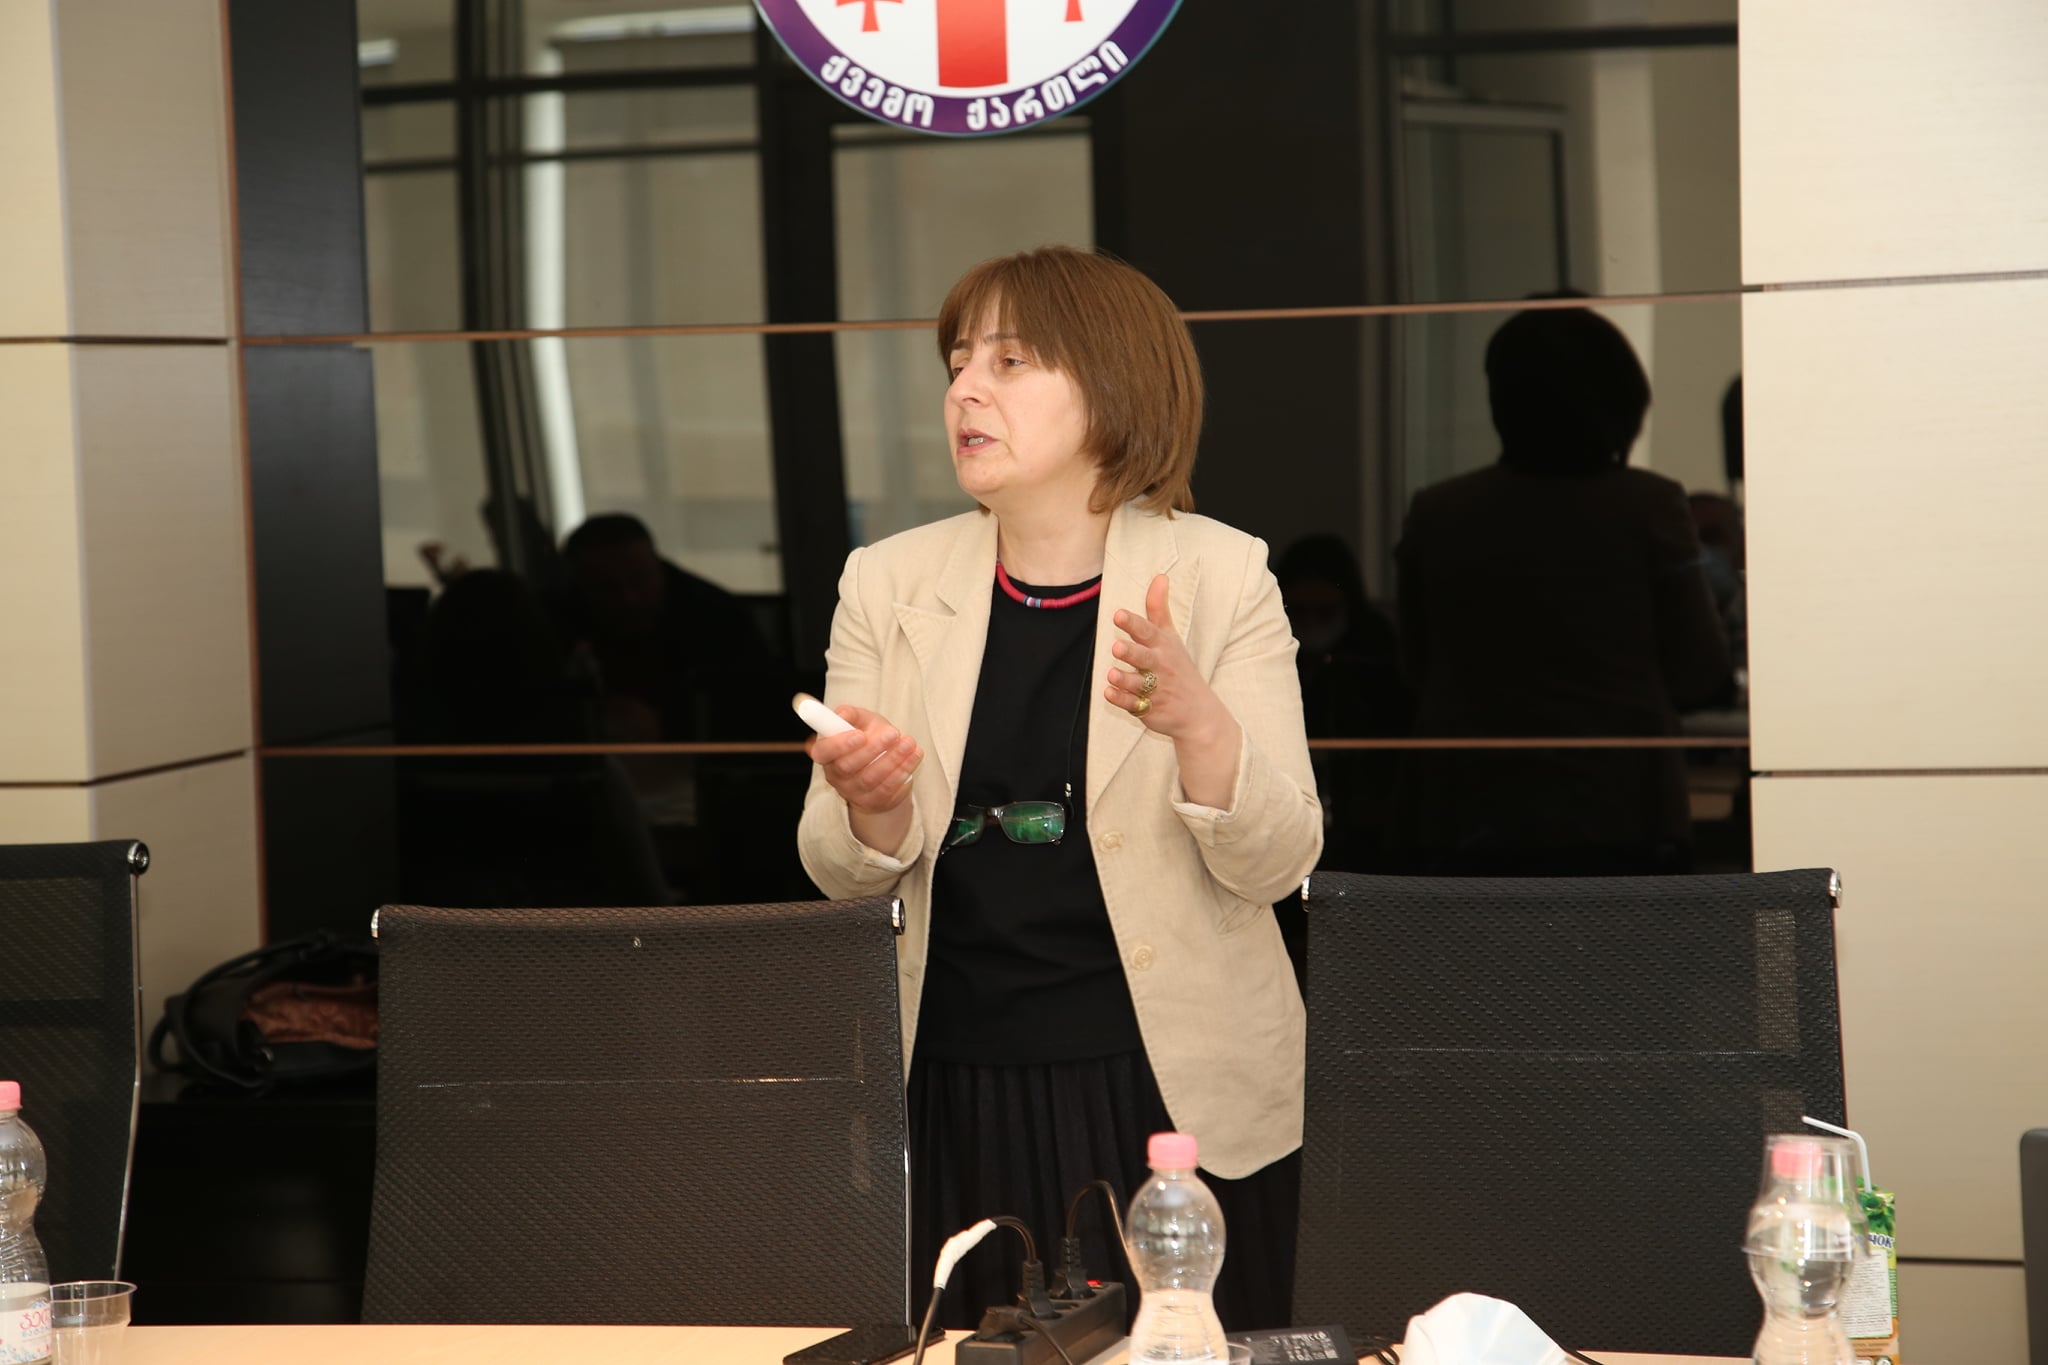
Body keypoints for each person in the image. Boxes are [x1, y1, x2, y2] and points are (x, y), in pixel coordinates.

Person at [795, 247, 1321, 1330]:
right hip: (949, 1077)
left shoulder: (1222, 574)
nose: (964, 390)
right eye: (957, 362)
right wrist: (872, 801)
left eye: (1009, 360)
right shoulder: (885, 582)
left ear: (1114, 383)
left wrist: (1199, 723)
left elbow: (1278, 862)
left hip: (1168, 1091)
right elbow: (837, 868)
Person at [1393, 302, 1731, 875]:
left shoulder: (1440, 512)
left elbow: (1416, 668)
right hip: (1621, 812)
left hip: (1468, 812)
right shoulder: (1648, 506)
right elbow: (1699, 669)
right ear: (1620, 403)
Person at [561, 513, 784, 741]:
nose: (629, 598)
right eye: (605, 588)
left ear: (657, 564)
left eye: (639, 579)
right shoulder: (559, 621)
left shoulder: (716, 616)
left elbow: (756, 706)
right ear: (579, 584)